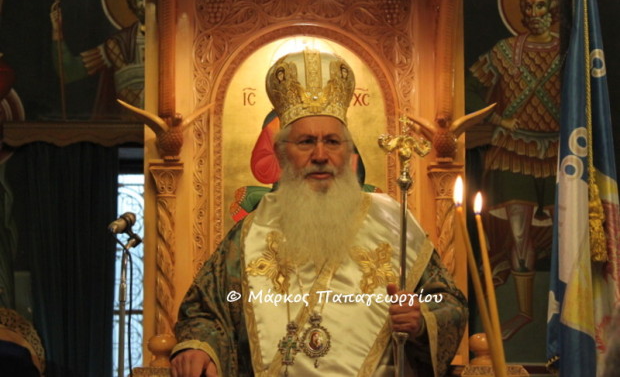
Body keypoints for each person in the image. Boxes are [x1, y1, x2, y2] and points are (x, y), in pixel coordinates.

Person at [171, 49, 468, 377]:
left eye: (333, 142)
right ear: (282, 154)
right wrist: (199, 345)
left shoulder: (392, 222)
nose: (321, 155)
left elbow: (448, 303)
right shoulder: (251, 232)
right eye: (306, 142)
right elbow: (206, 311)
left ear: (349, 152)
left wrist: (422, 319)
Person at [468, 0, 560, 338]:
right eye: (528, 7)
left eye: (541, 6)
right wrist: (498, 119)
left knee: (566, 231)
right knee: (519, 233)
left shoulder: (567, 52)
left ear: (552, 11)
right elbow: (469, 89)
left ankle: (565, 316)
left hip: (557, 153)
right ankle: (523, 312)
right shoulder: (504, 52)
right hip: (513, 152)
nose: (534, 13)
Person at [50, 0, 145, 120]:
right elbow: (69, 70)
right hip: (126, 125)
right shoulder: (117, 45)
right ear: (134, 4)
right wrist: (57, 30)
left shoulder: (172, 41)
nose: (145, 4)